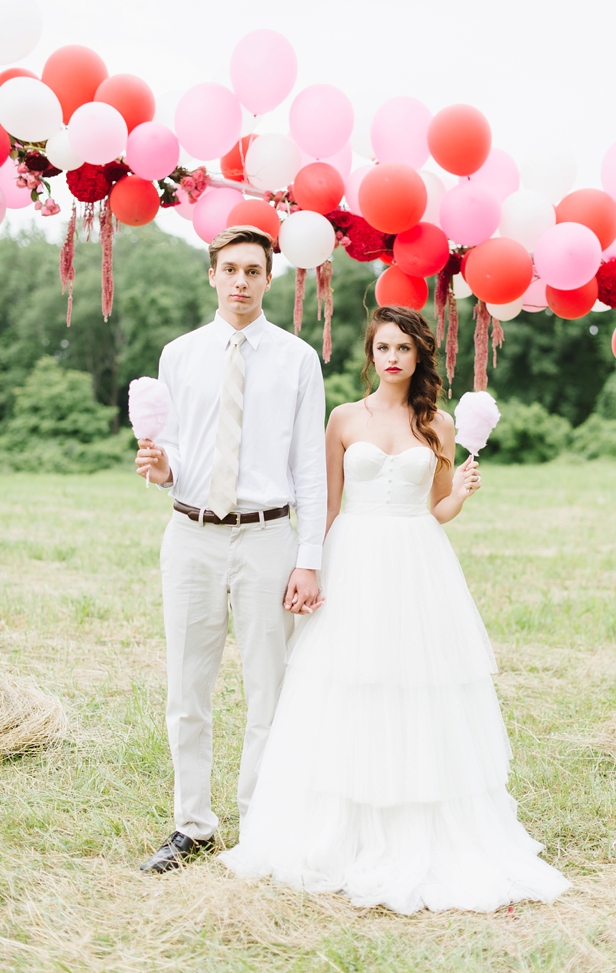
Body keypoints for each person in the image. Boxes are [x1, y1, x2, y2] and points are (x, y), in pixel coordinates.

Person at [219, 306, 569, 914]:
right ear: (371, 354)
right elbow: (325, 504)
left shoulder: (438, 423)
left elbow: (435, 509)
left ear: (418, 357)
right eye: (383, 347)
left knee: (415, 683)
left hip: (415, 561)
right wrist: (309, 566)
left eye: (404, 348)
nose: (393, 358)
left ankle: (417, 821)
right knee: (347, 681)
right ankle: (337, 825)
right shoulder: (343, 418)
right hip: (351, 555)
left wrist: (457, 492)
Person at [134, 225, 326, 873]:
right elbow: (185, 451)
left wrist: (310, 555)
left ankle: (260, 826)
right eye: (230, 269)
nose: (241, 281)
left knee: (268, 690)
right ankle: (193, 825)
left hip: (269, 537)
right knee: (188, 688)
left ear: (269, 278)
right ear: (211, 275)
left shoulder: (299, 358)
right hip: (190, 535)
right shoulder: (178, 354)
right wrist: (162, 467)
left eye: (253, 270)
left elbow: (310, 467)